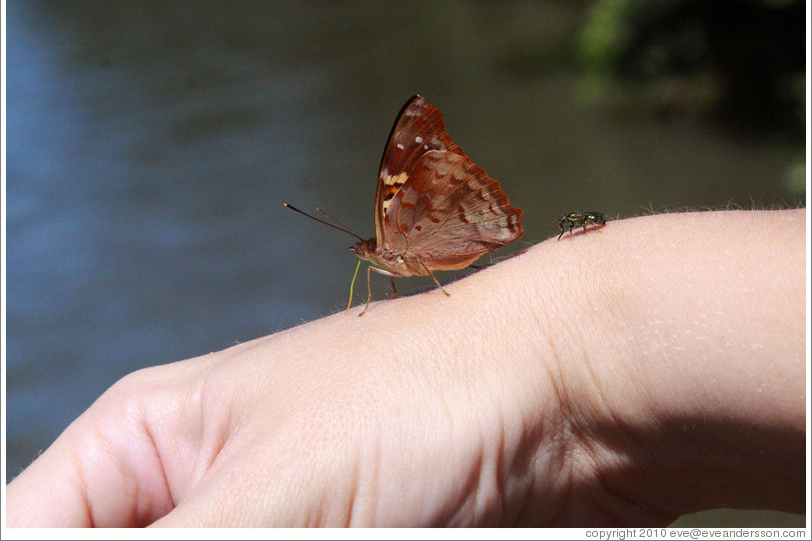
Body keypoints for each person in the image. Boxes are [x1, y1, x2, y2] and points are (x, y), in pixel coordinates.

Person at [5, 209, 806, 527]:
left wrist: (548, 356)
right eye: (363, 258)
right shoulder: (376, 265)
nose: (363, 257)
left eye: (365, 255)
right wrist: (554, 358)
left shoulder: (401, 238)